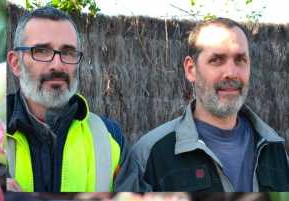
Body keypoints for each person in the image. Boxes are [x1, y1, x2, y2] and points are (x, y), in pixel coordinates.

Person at [115, 18, 288, 192]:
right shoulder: (150, 155)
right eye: (217, 60)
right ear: (191, 69)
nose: (231, 73)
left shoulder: (275, 150)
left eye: (240, 59)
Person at [6, 6, 125, 193]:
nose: (57, 65)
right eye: (42, 51)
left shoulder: (110, 137)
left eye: (68, 52)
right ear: (16, 63)